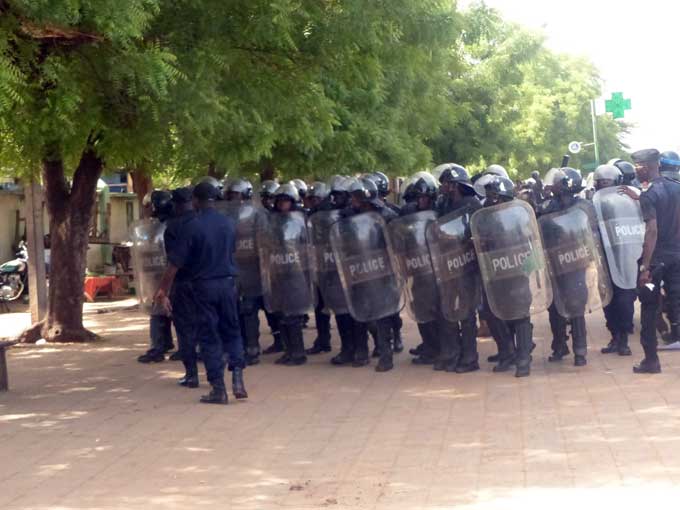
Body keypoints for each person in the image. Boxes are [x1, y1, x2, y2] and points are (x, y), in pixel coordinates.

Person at [154, 181, 247, 404]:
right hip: (228, 284)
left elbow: (174, 264)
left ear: (195, 200)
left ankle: (218, 389)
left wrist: (162, 291)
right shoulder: (228, 223)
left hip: (203, 287)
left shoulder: (191, 226)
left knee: (209, 336)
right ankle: (238, 379)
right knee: (232, 331)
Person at [626, 149, 680, 373]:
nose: (636, 172)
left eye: (637, 167)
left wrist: (644, 268)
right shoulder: (676, 187)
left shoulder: (649, 194)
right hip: (677, 257)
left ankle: (651, 360)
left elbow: (652, 232)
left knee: (648, 306)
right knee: (677, 301)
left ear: (646, 167)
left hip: (656, 262)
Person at [478, 176, 536, 377]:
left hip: (516, 270)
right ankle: (506, 352)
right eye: (490, 196)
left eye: (494, 195)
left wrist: (530, 268)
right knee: (492, 312)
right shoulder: (484, 216)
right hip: (494, 272)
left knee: (520, 314)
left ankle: (523, 359)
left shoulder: (519, 214)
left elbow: (530, 240)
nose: (491, 199)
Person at [538, 167, 589, 367]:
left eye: (557, 183)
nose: (553, 186)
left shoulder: (583, 206)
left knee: (576, 308)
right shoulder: (547, 206)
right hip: (554, 262)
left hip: (575, 261)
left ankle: (580, 351)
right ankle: (560, 345)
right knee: (555, 308)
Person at [435, 164, 482, 373]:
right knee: (448, 311)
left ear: (454, 185)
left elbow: (475, 232)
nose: (443, 187)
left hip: (466, 265)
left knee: (467, 313)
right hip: (447, 264)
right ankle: (451, 354)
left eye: (445, 183)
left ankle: (470, 358)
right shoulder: (444, 203)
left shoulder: (472, 204)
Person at [592, 164, 635, 357]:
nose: (603, 185)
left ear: (617, 181)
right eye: (600, 182)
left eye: (607, 181)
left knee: (624, 299)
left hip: (624, 255)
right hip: (604, 258)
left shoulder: (629, 200)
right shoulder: (592, 203)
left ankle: (624, 339)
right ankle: (615, 336)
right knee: (607, 299)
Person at [268, 183, 310, 366]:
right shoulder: (272, 220)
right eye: (279, 201)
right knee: (281, 314)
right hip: (278, 271)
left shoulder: (301, 220)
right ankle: (288, 350)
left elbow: (307, 246)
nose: (281, 204)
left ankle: (298, 353)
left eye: (286, 201)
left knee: (293, 316)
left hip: (295, 271)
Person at [163, 187, 200, 386]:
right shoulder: (202, 222)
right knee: (208, 326)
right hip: (205, 283)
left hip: (182, 283)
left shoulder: (173, 226)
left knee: (185, 329)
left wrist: (163, 290)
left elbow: (172, 261)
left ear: (175, 204)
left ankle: (191, 373)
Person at [137, 190, 176, 363]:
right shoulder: (155, 227)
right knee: (160, 311)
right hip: (159, 274)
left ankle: (159, 347)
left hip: (170, 275)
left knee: (168, 312)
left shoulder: (168, 227)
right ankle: (162, 344)